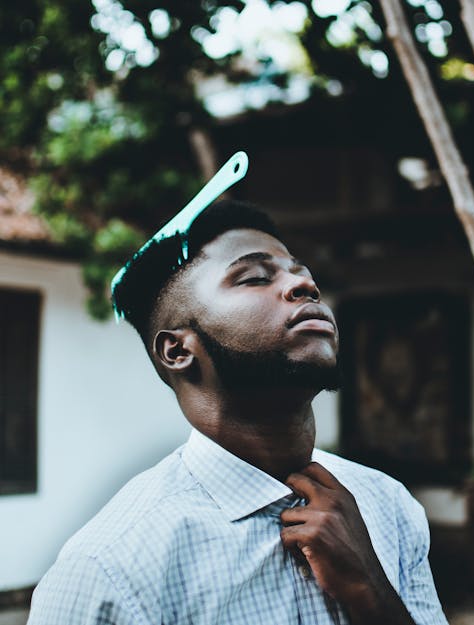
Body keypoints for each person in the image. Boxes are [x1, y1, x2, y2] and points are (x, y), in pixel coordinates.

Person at [28, 198, 448, 625]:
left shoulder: (389, 505)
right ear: (177, 350)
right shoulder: (109, 570)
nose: (304, 287)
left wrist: (371, 593)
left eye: (302, 273)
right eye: (254, 278)